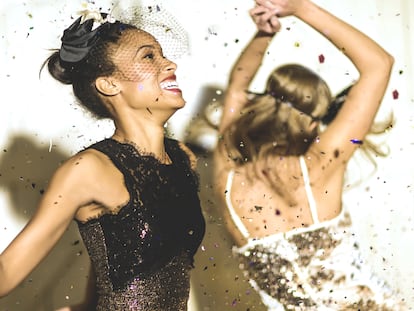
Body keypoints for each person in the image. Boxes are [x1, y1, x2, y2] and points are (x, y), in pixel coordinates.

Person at [0, 9, 205, 311]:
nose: (169, 64)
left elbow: (124, 256)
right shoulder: (88, 170)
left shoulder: (182, 159)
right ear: (109, 84)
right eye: (149, 57)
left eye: (162, 54)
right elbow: (5, 273)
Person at [212, 0, 408, 310]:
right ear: (314, 124)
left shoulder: (227, 176)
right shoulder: (319, 168)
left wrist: (264, 33)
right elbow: (378, 64)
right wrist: (301, 8)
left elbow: (236, 88)